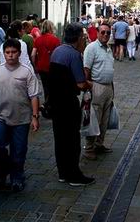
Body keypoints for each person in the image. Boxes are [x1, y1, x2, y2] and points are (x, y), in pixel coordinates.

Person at [0, 39, 40, 192]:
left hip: (21, 118)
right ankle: (1, 174)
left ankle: (17, 177)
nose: (10, 55)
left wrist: (35, 117)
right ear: (3, 54)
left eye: (14, 52)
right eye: (7, 52)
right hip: (0, 116)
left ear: (19, 53)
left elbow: (34, 96)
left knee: (18, 151)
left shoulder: (26, 71)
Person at [48, 23, 95, 186]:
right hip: (68, 104)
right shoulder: (73, 55)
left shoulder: (57, 51)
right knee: (72, 140)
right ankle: (73, 174)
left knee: (60, 140)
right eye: (84, 37)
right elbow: (81, 84)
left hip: (55, 103)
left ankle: (63, 173)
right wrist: (90, 84)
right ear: (79, 38)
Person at [83, 23, 115, 160]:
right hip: (96, 87)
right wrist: (90, 86)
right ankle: (89, 148)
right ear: (97, 33)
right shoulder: (91, 48)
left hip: (108, 87)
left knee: (104, 120)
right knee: (94, 119)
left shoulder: (108, 48)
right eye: (103, 32)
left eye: (108, 33)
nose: (105, 35)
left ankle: (99, 144)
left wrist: (112, 88)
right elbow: (86, 70)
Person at [31, 20, 60, 110]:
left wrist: (35, 65)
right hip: (52, 67)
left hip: (41, 67)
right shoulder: (55, 40)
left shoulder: (38, 40)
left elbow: (33, 54)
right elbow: (59, 54)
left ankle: (47, 104)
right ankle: (50, 104)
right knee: (54, 87)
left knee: (45, 86)